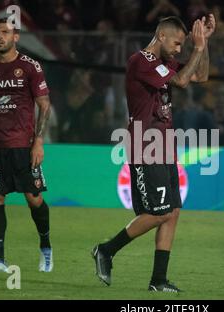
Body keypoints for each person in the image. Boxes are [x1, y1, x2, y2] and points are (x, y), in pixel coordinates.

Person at [92, 15, 215, 292]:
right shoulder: (141, 61)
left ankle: (158, 280)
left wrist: (203, 43)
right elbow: (183, 82)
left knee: (172, 212)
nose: (179, 49)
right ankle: (106, 250)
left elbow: (201, 76)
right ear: (161, 36)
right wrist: (196, 48)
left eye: (184, 45)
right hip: (144, 145)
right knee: (158, 213)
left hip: (164, 146)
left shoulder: (165, 64)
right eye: (177, 43)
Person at [0, 18, 53, 273]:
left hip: (23, 146)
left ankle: (46, 248)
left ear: (16, 37)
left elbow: (44, 105)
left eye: (5, 32)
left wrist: (38, 141)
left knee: (34, 199)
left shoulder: (30, 67)